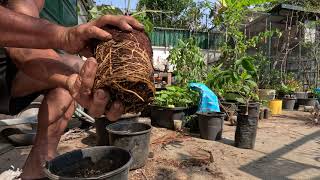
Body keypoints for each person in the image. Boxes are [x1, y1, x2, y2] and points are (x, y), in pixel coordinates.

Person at [0, 0, 145, 179]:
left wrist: (72, 80)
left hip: (19, 74)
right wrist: (65, 36)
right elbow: (22, 49)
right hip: (4, 74)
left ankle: (38, 166)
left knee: (71, 80)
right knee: (75, 67)